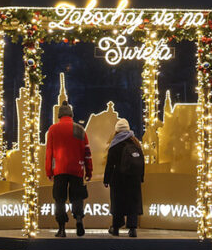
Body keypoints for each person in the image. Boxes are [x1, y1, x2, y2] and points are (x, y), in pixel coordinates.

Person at [45, 101, 93, 237]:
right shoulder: (79, 129)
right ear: (71, 114)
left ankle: (61, 229)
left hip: (60, 170)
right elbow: (87, 153)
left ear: (59, 115)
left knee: (59, 199)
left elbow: (49, 153)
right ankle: (78, 219)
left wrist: (49, 170)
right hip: (77, 169)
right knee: (77, 197)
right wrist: (89, 171)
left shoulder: (53, 129)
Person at [104, 119, 145, 237]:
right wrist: (141, 177)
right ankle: (132, 228)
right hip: (134, 178)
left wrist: (106, 179)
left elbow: (110, 164)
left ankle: (116, 227)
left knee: (118, 202)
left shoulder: (115, 144)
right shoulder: (136, 143)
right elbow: (141, 162)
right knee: (133, 202)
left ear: (117, 130)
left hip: (118, 178)